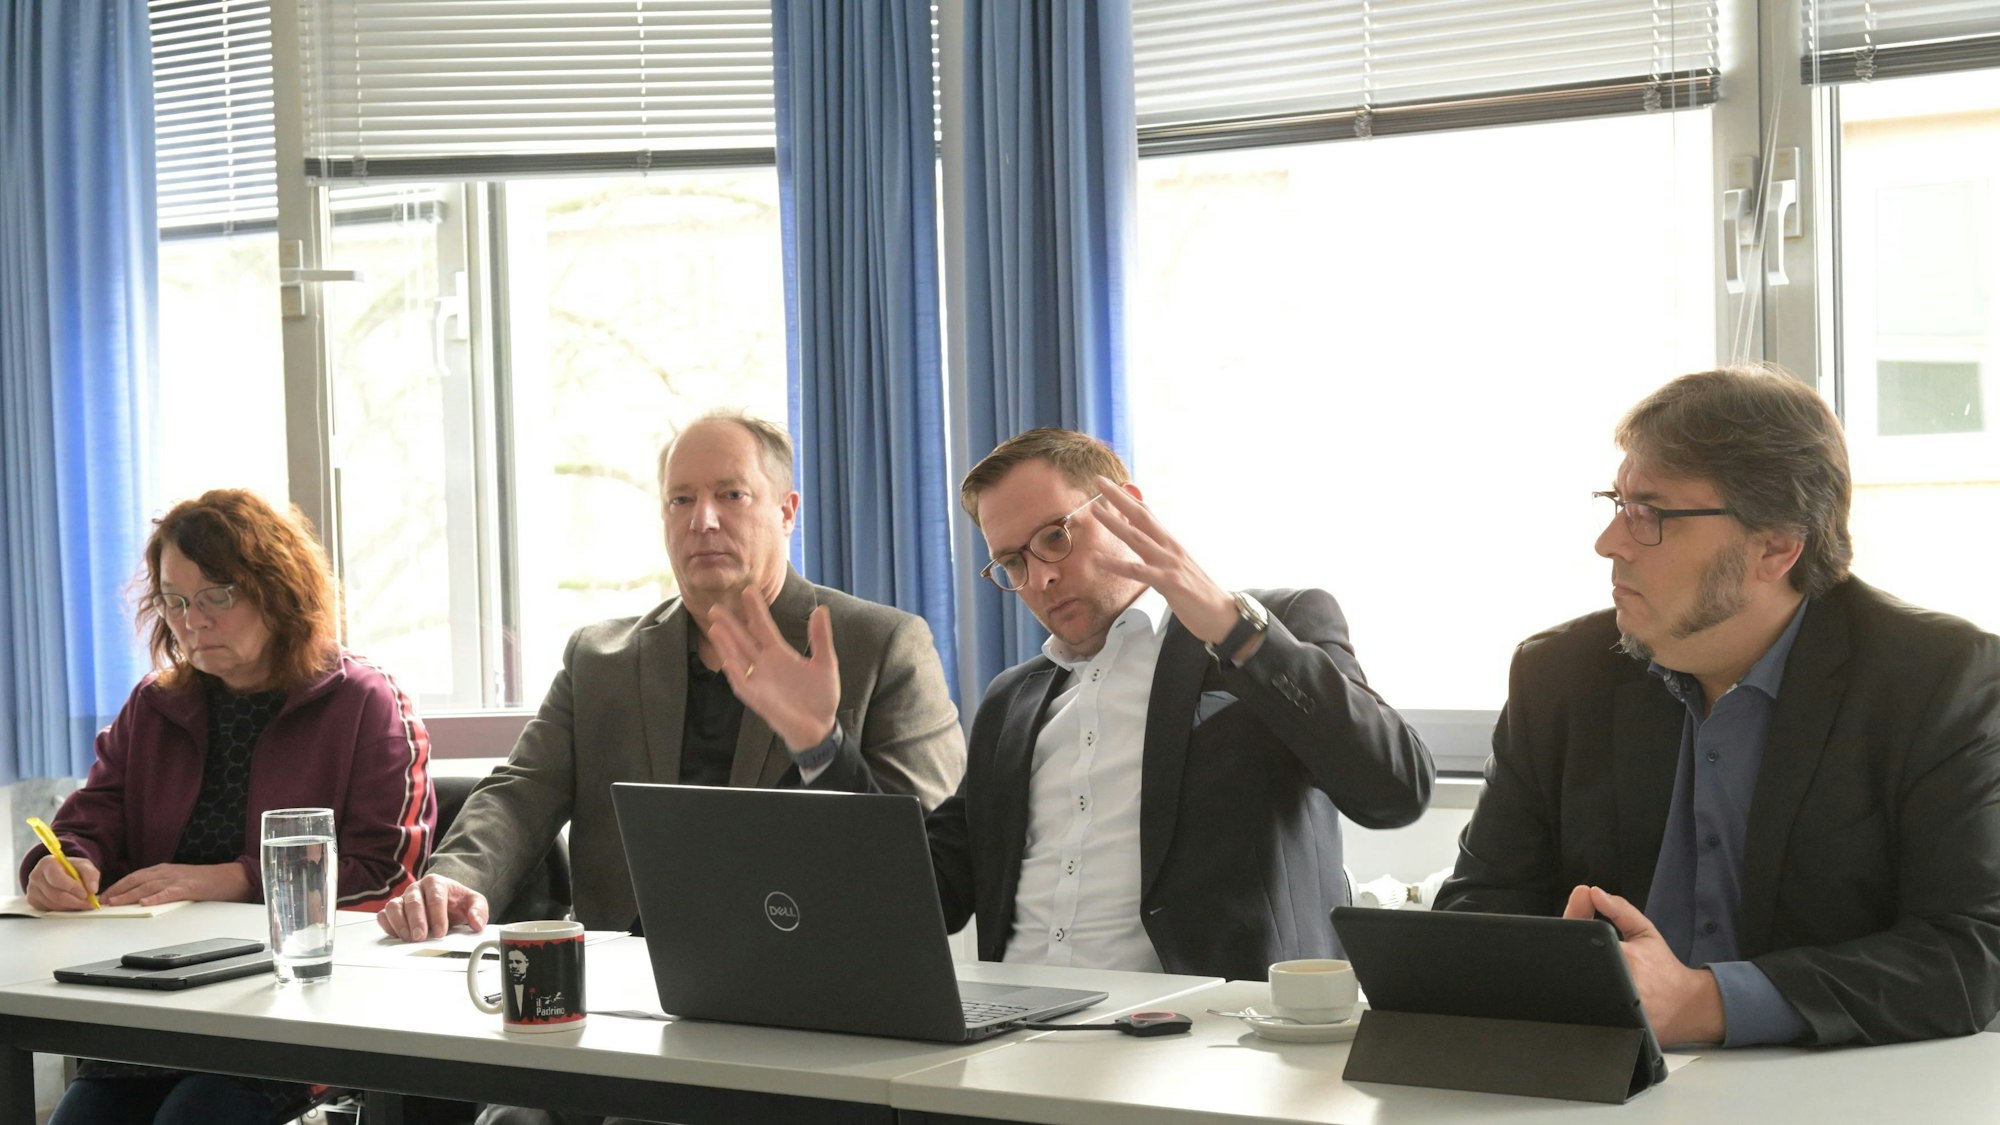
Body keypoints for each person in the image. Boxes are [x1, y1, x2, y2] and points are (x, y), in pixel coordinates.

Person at [1436, 366, 2000, 1047]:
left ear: (1775, 546)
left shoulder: (1938, 679)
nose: (1609, 541)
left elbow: (1970, 952)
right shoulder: (1559, 675)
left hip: (1838, 1090)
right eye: (1617, 503)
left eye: (1651, 514)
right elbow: (1481, 908)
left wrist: (1706, 1002)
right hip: (1608, 1085)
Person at [378, 412, 965, 941]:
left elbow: (922, 867)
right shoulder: (599, 659)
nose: (702, 521)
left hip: (809, 973)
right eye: (680, 500)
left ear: (786, 511)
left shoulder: (878, 647)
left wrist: (820, 743)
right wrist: (455, 879)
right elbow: (518, 796)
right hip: (627, 988)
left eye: (731, 495)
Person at [926, 428, 1434, 981]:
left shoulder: (1267, 631)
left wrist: (1232, 628)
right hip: (1016, 1031)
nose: (1042, 576)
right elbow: (935, 886)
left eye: (1055, 537)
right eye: (1013, 564)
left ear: (1127, 510)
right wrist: (824, 749)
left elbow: (1396, 791)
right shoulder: (1012, 700)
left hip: (1207, 1033)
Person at [21, 489, 435, 1125]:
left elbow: (384, 873)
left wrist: (236, 877)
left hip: (294, 1009)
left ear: (277, 589)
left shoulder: (364, 701)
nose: (193, 622)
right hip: (161, 1003)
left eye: (218, 596)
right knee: (79, 1120)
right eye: (176, 601)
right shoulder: (154, 704)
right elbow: (86, 823)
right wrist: (60, 865)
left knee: (194, 1118)